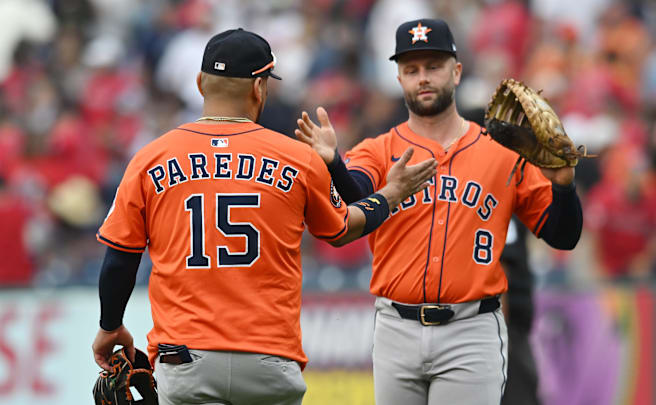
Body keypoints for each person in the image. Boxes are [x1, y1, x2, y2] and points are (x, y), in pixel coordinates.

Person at [90, 28, 437, 405]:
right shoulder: (296, 157)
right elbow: (342, 230)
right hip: (269, 360)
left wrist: (110, 326)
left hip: (186, 357)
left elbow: (119, 260)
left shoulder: (150, 158)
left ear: (200, 83)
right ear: (259, 88)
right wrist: (391, 194)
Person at [294, 18, 583, 405]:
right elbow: (353, 198)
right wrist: (333, 163)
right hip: (396, 328)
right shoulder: (377, 149)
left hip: (471, 329)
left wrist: (563, 185)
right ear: (399, 78)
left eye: (433, 66)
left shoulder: (502, 154)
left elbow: (563, 235)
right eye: (411, 70)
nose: (423, 78)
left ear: (457, 70)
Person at [500, 216, 540, 405]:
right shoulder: (505, 211)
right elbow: (501, 269)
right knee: (519, 394)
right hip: (508, 326)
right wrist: (502, 330)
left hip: (512, 325)